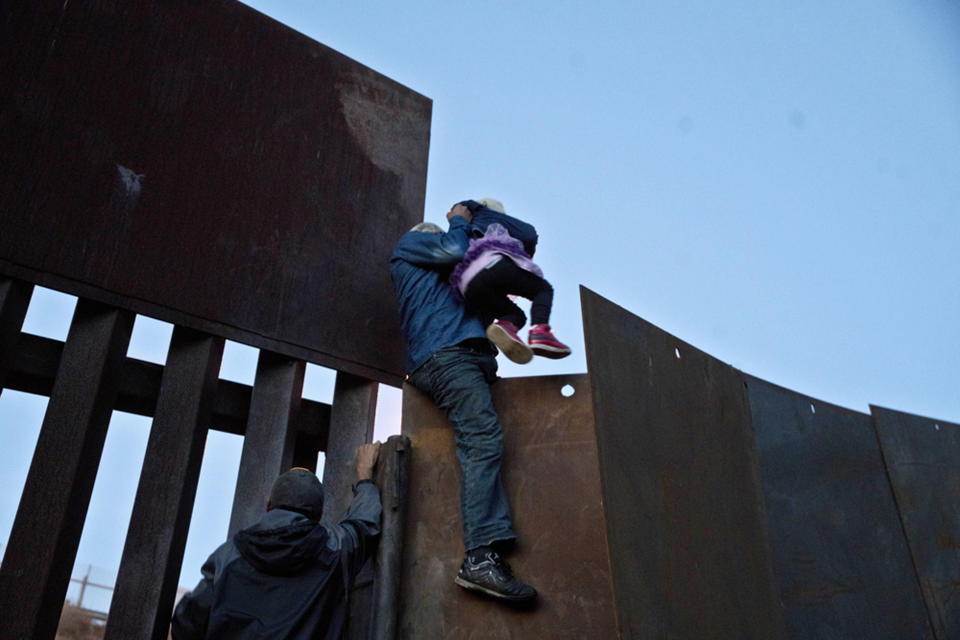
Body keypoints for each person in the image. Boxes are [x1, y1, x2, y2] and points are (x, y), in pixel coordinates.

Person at [390, 204, 537, 604]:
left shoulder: (443, 286)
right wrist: (460, 220)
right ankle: (479, 558)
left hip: (461, 355)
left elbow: (512, 247)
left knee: (482, 437)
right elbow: (454, 249)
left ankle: (484, 552)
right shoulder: (410, 245)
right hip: (446, 356)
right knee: (482, 440)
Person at [170, 442, 382, 639]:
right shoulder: (335, 547)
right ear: (318, 514)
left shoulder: (228, 555)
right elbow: (365, 525)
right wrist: (365, 477)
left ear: (269, 505)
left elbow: (187, 622)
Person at [449, 197, 571, 364]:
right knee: (543, 289)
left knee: (516, 315)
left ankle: (505, 327)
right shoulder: (488, 217)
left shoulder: (462, 231)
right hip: (492, 265)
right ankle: (540, 333)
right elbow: (528, 235)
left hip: (466, 287)